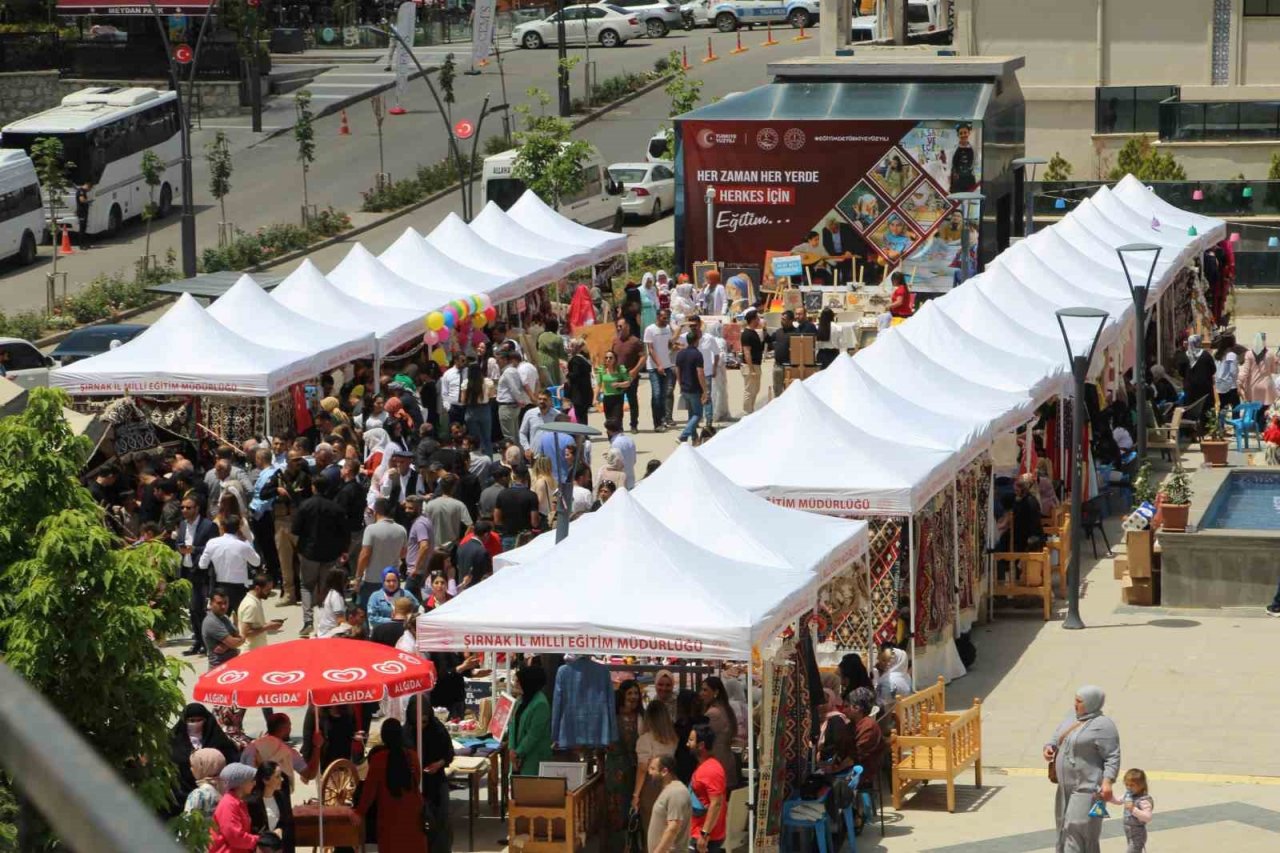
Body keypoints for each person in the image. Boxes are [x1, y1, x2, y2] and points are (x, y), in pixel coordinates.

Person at [1044, 686, 1122, 853]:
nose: (1075, 705)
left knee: (1078, 828)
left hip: (1087, 787)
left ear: (1092, 703)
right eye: (1075, 700)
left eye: (1079, 702)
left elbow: (1112, 756)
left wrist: (1108, 782)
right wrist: (1049, 747)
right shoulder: (1071, 717)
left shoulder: (1103, 726)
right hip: (1065, 787)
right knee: (1063, 827)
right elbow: (1056, 737)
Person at [357, 718, 428, 852]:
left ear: (383, 736)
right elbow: (417, 781)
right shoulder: (412, 756)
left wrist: (359, 812)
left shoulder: (378, 759)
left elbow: (369, 792)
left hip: (389, 816)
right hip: (413, 814)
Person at [171, 704, 240, 803]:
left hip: (215, 794)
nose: (195, 723)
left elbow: (232, 762)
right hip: (182, 794)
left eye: (199, 720)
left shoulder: (218, 739)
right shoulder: (174, 740)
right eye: (191, 720)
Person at [178, 495, 218, 657]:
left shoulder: (208, 526)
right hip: (186, 570)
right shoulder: (182, 525)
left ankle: (205, 642)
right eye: (183, 507)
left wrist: (194, 549)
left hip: (201, 572)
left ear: (197, 509)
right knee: (191, 610)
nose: (185, 511)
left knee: (198, 608)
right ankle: (198, 641)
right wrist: (180, 548)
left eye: (188, 507)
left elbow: (213, 547)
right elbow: (179, 542)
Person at [605, 679, 643, 851]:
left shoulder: (641, 717)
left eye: (636, 693)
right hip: (615, 769)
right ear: (622, 695)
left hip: (636, 769)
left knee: (634, 810)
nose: (634, 697)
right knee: (616, 810)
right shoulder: (612, 718)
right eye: (630, 693)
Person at [200, 514, 260, 619]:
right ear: (239, 528)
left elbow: (202, 565)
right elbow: (256, 562)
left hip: (219, 586)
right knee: (243, 621)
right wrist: (247, 541)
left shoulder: (212, 543)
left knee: (220, 621)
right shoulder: (242, 545)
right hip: (239, 589)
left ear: (222, 527)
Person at [634, 700, 679, 830]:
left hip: (651, 786)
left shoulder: (645, 740)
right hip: (670, 784)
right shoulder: (673, 739)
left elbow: (642, 769)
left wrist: (636, 795)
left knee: (651, 829)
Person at [357, 498, 407, 610]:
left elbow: (365, 555)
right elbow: (403, 554)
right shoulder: (401, 530)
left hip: (372, 579)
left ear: (376, 512)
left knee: (369, 612)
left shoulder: (371, 529)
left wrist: (358, 578)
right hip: (393, 579)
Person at [688, 722, 727, 853]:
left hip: (705, 836)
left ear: (701, 745)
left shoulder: (710, 769)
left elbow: (716, 803)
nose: (687, 744)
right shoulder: (704, 766)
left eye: (691, 740)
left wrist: (704, 835)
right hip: (698, 832)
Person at [510, 664, 553, 777]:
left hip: (533, 755)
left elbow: (534, 735)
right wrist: (512, 749)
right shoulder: (520, 700)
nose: (515, 684)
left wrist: (518, 752)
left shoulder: (541, 704)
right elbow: (512, 724)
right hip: (516, 754)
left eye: (518, 681)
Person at [209, 763, 263, 853]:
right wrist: (258, 840)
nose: (254, 783)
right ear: (241, 783)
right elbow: (234, 836)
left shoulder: (239, 802)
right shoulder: (228, 803)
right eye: (251, 780)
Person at [698, 677, 739, 788]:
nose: (701, 693)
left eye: (705, 690)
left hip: (717, 763)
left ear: (715, 692)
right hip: (725, 761)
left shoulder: (713, 713)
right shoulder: (725, 709)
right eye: (701, 690)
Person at [646, 755, 691, 853]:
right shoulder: (669, 790)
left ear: (664, 771)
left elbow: (673, 827)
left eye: (653, 769)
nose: (649, 773)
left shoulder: (676, 792)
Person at [245, 761, 293, 852]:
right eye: (277, 776)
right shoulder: (253, 803)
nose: (282, 779)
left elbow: (287, 822)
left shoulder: (281, 797)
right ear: (266, 780)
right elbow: (253, 830)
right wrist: (270, 836)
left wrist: (281, 830)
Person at [1105, 768, 1155, 853]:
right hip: (1129, 831)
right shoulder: (1128, 795)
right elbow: (1118, 801)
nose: (1128, 787)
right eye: (1126, 784)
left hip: (1138, 833)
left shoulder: (1143, 800)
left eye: (1132, 785)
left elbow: (1148, 817)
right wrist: (1108, 797)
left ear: (1141, 785)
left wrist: (1133, 809)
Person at [494, 463, 540, 550]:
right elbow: (534, 522)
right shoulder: (531, 496)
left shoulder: (502, 494)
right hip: (525, 538)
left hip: (507, 537)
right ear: (527, 476)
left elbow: (497, 520)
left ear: (514, 476)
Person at [675, 323, 708, 444]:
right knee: (698, 414)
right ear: (696, 340)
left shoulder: (681, 353)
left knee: (691, 414)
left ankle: (694, 439)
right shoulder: (697, 354)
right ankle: (683, 436)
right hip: (694, 388)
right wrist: (705, 390)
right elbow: (700, 373)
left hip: (685, 388)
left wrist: (680, 384)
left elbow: (677, 370)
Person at [645, 308, 676, 431]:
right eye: (664, 318)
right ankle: (657, 423)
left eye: (667, 318)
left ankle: (663, 419)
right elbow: (650, 349)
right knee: (656, 395)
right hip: (654, 368)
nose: (666, 320)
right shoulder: (650, 329)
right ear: (658, 317)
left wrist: (675, 347)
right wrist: (659, 365)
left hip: (667, 366)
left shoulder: (668, 328)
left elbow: (668, 344)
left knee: (664, 394)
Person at [612, 318, 645, 434]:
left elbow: (643, 357)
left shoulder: (635, 341)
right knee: (618, 402)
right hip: (617, 377)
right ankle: (618, 426)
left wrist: (635, 370)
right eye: (618, 326)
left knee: (632, 401)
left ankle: (634, 425)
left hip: (630, 376)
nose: (618, 328)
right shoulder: (615, 341)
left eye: (621, 326)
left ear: (628, 327)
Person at [424, 473, 472, 549]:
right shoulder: (459, 505)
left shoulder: (430, 504)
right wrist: (462, 542)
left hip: (434, 548)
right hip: (452, 547)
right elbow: (470, 526)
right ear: (454, 487)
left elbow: (424, 526)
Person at [202, 588, 245, 671]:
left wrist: (225, 645)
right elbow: (234, 643)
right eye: (219, 603)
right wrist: (233, 641)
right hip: (219, 669)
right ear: (211, 603)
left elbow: (237, 634)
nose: (223, 606)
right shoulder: (211, 621)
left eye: (225, 603)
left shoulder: (224, 617)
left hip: (231, 666)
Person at [1240, 332, 1277, 428]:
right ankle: (1261, 427)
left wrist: (1239, 382)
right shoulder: (1270, 354)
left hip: (1253, 387)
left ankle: (1256, 426)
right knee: (1265, 408)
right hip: (1267, 386)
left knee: (1254, 408)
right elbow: (1274, 370)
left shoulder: (1249, 354)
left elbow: (1245, 371)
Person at [874, 646, 914, 734]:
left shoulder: (887, 681)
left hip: (891, 726)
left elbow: (881, 706)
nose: (880, 662)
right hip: (906, 721)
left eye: (886, 661)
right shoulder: (906, 677)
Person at [461, 360, 496, 458]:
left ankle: (477, 458)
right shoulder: (488, 382)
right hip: (484, 409)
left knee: (475, 438)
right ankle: (489, 459)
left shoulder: (466, 383)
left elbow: (463, 400)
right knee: (487, 437)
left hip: (471, 410)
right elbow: (492, 396)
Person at [183, 747, 228, 819]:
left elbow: (188, 826)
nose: (191, 769)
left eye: (193, 765)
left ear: (203, 767)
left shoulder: (198, 794)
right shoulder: (229, 789)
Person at [822, 216, 861, 285]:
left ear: (837, 225)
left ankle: (845, 286)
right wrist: (833, 256)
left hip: (845, 253)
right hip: (834, 255)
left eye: (834, 229)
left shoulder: (846, 227)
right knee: (834, 274)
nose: (832, 231)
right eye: (830, 230)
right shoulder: (825, 230)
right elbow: (826, 244)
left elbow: (851, 241)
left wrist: (848, 251)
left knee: (846, 273)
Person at [1181, 334, 1216, 409]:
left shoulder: (1184, 356)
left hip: (1190, 388)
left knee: (1191, 409)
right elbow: (1213, 369)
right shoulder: (1206, 355)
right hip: (1205, 387)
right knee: (1205, 409)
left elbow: (1181, 372)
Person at [565, 338, 594, 426]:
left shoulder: (575, 360)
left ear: (576, 348)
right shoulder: (583, 359)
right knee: (583, 416)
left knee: (580, 416)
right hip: (585, 392)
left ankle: (583, 435)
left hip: (578, 394)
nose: (569, 348)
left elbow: (575, 375)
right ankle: (585, 434)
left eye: (571, 346)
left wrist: (567, 373)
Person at [767, 310, 796, 399]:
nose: (781, 321)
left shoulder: (796, 333)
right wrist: (764, 330)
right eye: (781, 319)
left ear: (791, 320)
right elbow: (769, 340)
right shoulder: (778, 332)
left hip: (789, 367)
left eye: (784, 319)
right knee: (777, 390)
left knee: (790, 392)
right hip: (777, 366)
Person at [1214, 333, 1241, 412]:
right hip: (1230, 385)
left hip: (1220, 385)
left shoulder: (1218, 354)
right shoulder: (1231, 355)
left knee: (1223, 407)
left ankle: (1220, 423)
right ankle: (1235, 423)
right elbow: (1233, 371)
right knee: (1236, 408)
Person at [949, 122, 977, 193]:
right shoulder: (953, 149)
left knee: (969, 201)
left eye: (965, 132)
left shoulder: (974, 149)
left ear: (968, 133)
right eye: (961, 133)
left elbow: (976, 164)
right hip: (957, 181)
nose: (963, 135)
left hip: (969, 180)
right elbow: (949, 165)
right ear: (958, 135)